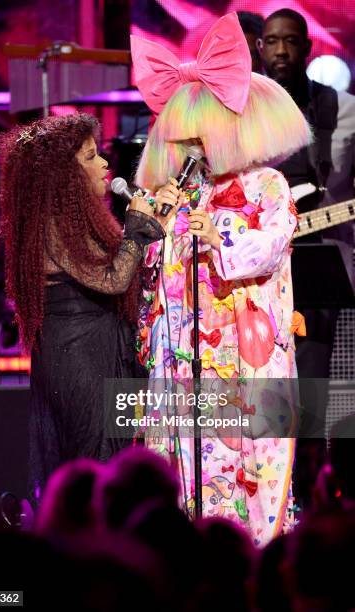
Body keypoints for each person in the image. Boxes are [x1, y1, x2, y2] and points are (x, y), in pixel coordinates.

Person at [131, 12, 311, 545]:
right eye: (186, 139)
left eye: (202, 135)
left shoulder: (267, 186)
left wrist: (220, 238)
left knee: (247, 472)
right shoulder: (183, 192)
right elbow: (155, 284)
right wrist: (151, 231)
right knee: (190, 468)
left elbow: (268, 248)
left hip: (243, 361)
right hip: (188, 367)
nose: (195, 149)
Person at [0, 113, 166, 508]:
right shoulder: (53, 224)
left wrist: (152, 227)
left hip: (94, 349)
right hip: (80, 358)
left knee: (111, 462)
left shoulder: (75, 220)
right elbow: (111, 280)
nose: (105, 164)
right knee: (97, 464)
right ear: (65, 175)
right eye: (91, 157)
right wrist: (136, 228)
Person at [258, 8, 355, 507]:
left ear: (307, 48)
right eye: (271, 41)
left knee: (315, 386)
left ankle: (312, 495)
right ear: (259, 48)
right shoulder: (244, 114)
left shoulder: (343, 110)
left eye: (290, 42)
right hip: (257, 271)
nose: (280, 51)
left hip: (324, 267)